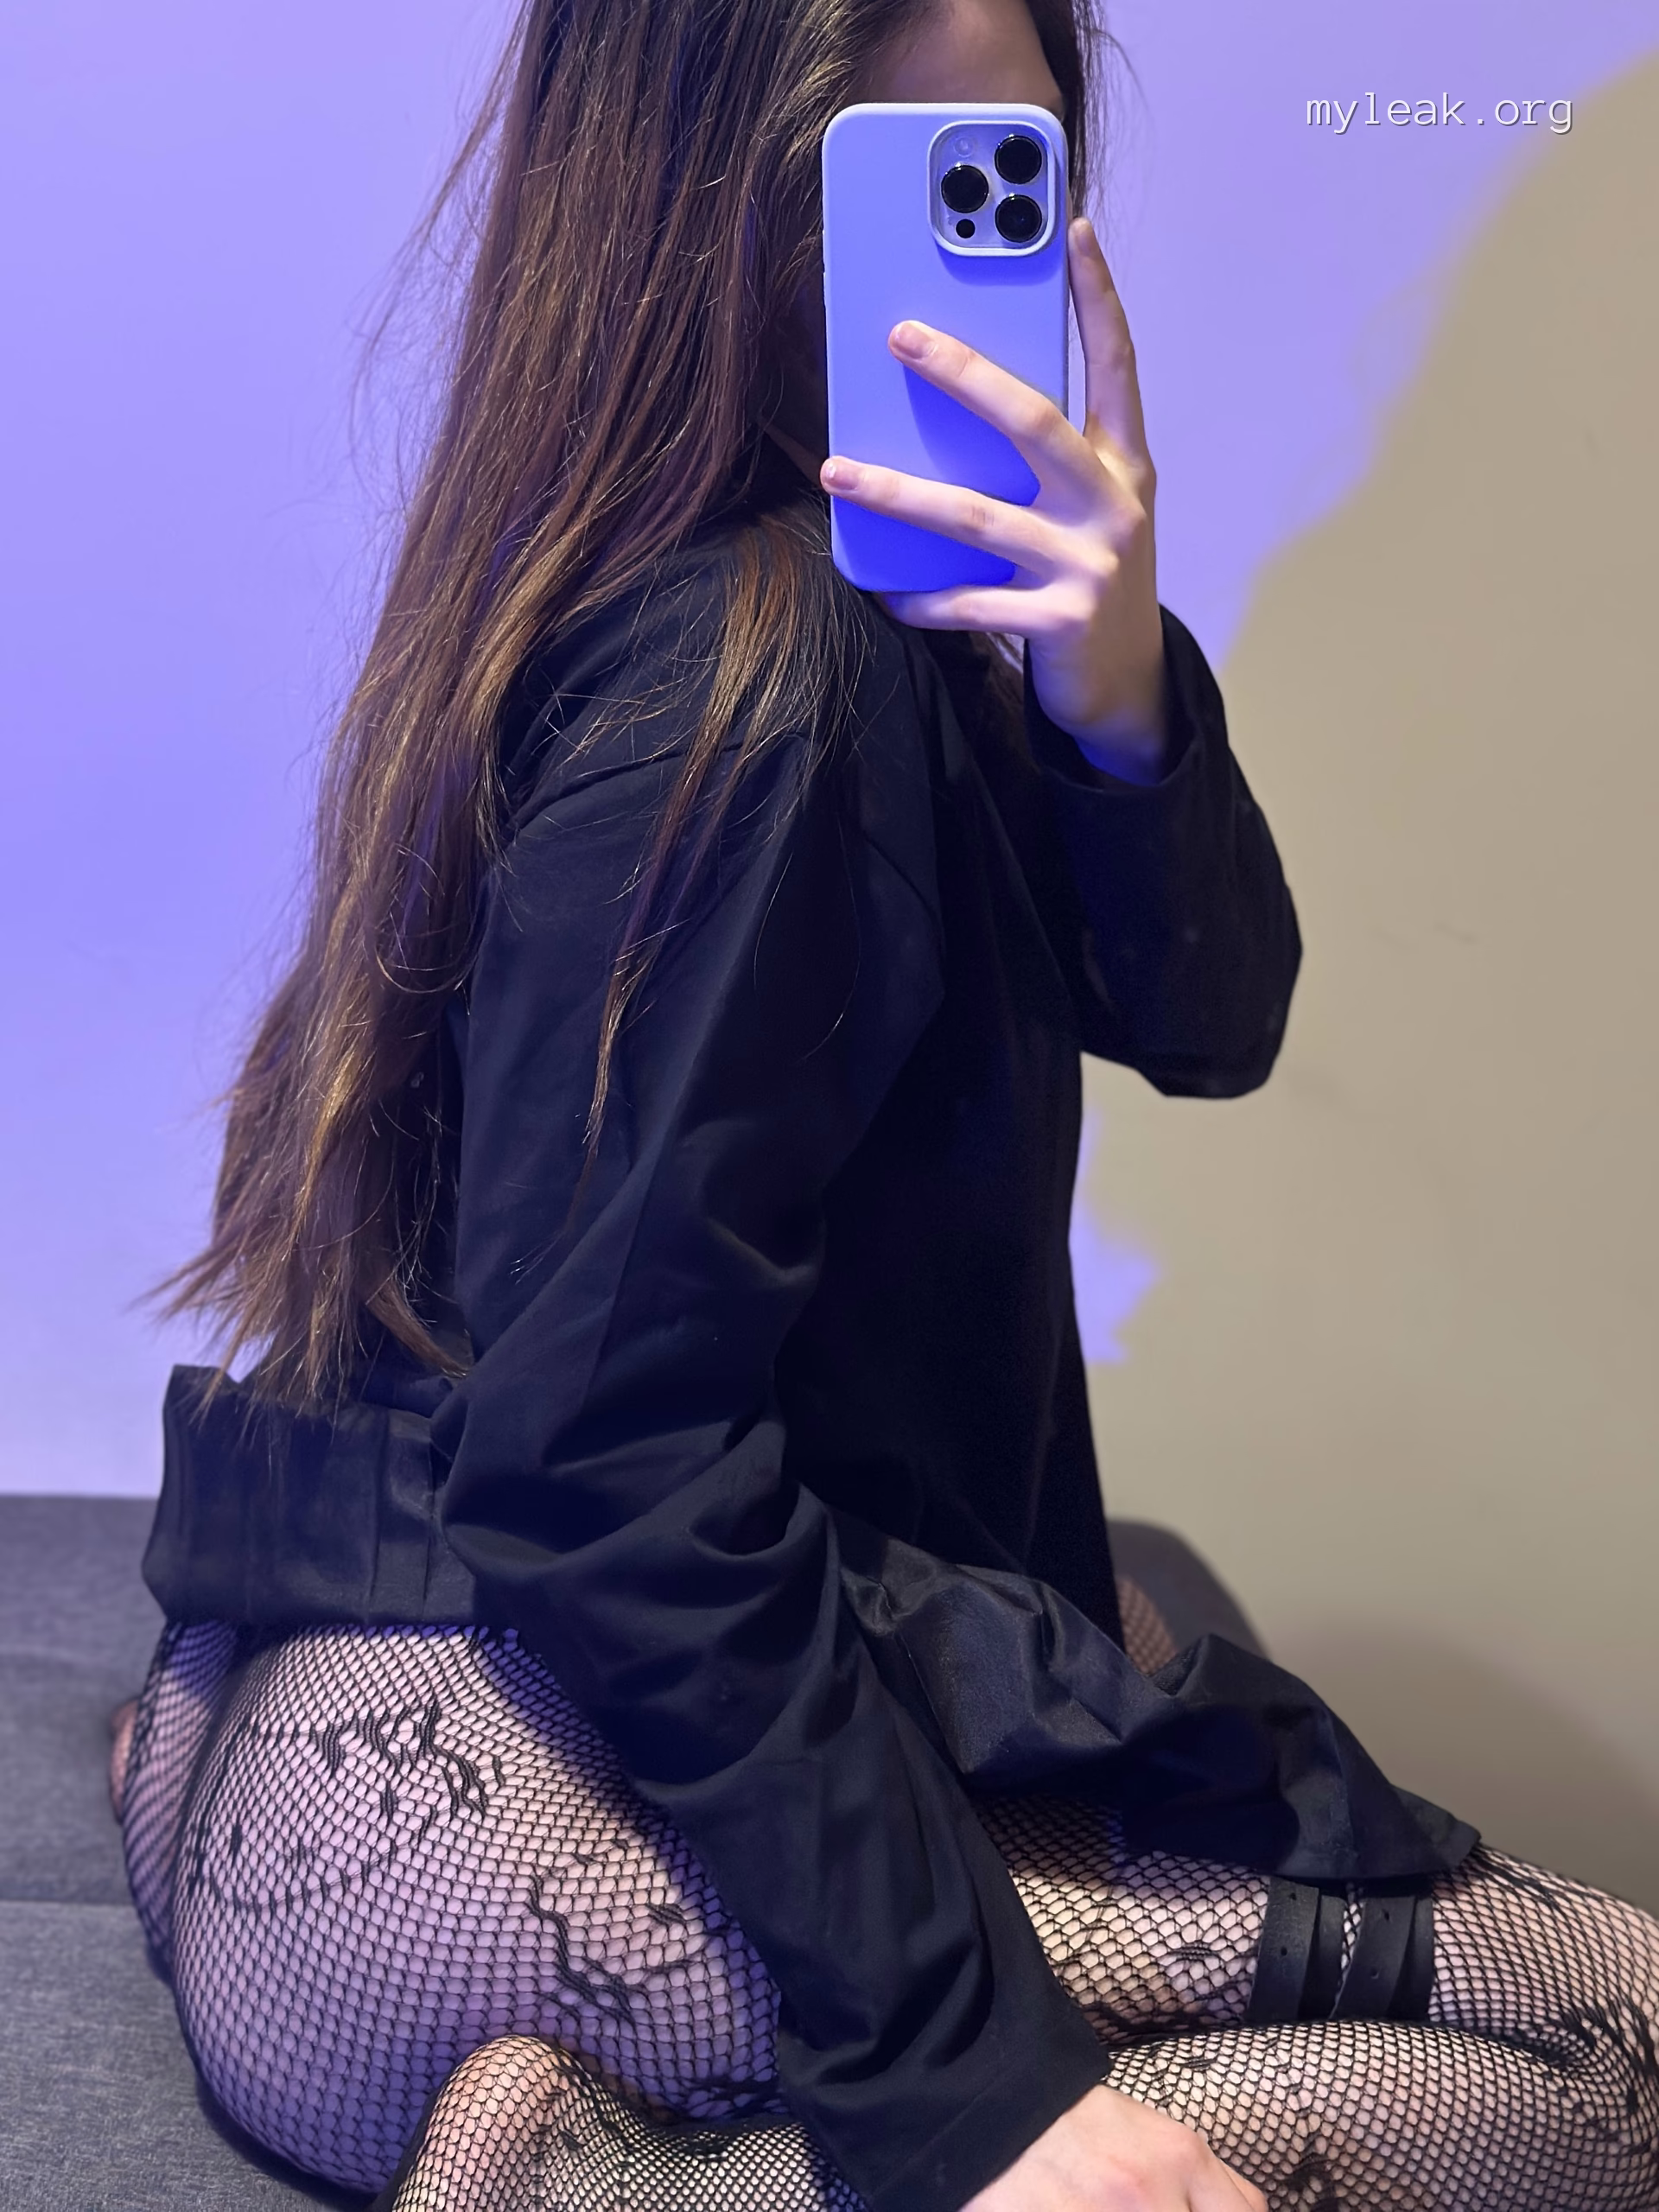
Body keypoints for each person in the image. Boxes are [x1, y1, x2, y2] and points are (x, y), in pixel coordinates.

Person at [114, 0, 1659, 2207]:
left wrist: (1116, 697)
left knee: (1203, 1723)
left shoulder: (752, 604)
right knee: (1612, 2042)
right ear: (709, 197)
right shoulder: (762, 679)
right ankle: (606, 2184)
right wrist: (983, 2097)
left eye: (1011, 175)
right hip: (470, 1835)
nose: (959, 264)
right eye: (891, 177)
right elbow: (610, 1457)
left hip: (335, 1752)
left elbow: (1213, 1012)